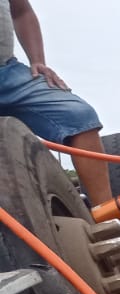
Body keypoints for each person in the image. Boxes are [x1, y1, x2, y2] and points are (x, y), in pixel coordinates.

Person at [0, 0, 111, 205]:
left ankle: (107, 216)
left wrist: (38, 61)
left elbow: (21, 12)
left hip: (7, 72)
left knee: (79, 116)